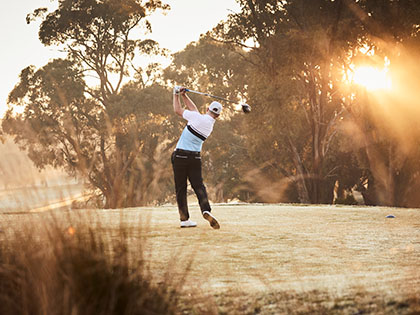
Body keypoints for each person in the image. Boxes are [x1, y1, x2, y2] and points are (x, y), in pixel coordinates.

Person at [171, 86, 221, 229]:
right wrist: (185, 96)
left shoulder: (196, 117)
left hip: (180, 156)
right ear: (217, 116)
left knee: (181, 188)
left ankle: (184, 220)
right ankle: (206, 210)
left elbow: (178, 111)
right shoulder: (209, 125)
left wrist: (176, 95)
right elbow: (194, 111)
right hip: (195, 158)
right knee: (199, 186)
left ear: (207, 109)